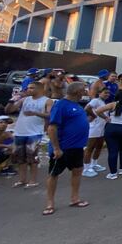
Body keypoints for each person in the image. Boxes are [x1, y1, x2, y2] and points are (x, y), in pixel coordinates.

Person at [44, 82, 90, 216]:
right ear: (77, 92)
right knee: (54, 175)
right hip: (63, 148)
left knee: (77, 171)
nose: (85, 92)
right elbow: (52, 128)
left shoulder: (77, 105)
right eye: (83, 90)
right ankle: (50, 203)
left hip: (77, 147)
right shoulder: (61, 105)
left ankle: (74, 199)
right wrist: (56, 148)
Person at [7, 81, 52, 187]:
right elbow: (8, 110)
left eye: (31, 88)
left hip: (35, 132)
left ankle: (33, 180)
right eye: (28, 88)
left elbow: (50, 115)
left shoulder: (47, 101)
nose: (28, 90)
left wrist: (35, 113)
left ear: (40, 89)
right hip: (20, 131)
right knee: (20, 158)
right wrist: (11, 101)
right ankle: (22, 180)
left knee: (32, 157)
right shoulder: (24, 99)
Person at [82, 86, 110, 177]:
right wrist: (94, 116)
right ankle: (86, 168)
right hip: (94, 127)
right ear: (99, 93)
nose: (107, 94)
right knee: (90, 147)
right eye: (105, 92)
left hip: (101, 128)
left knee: (99, 146)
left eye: (108, 93)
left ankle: (94, 164)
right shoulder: (95, 100)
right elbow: (87, 108)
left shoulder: (103, 102)